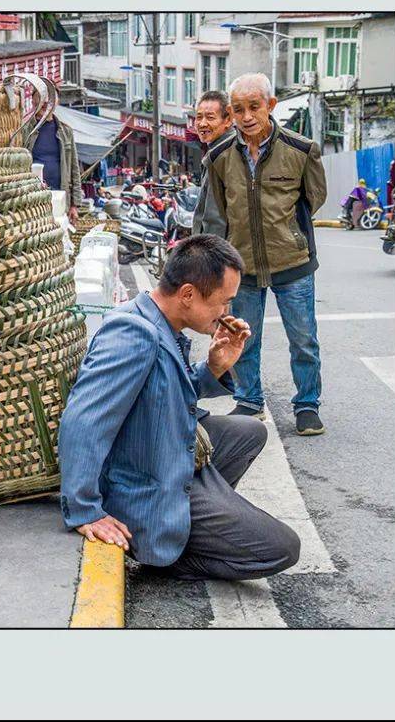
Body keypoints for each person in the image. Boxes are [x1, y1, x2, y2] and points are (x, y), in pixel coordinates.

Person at [58, 235, 300, 581]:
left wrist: (215, 367)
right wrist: (84, 510)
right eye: (222, 302)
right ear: (187, 294)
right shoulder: (133, 333)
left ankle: (193, 512)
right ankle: (166, 552)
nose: (225, 314)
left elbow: (166, 393)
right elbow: (83, 422)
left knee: (250, 431)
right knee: (282, 547)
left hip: (163, 450)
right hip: (143, 477)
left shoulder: (160, 320)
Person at [205, 73, 328, 435]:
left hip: (292, 262)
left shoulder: (301, 150)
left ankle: (307, 404)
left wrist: (287, 229)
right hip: (242, 266)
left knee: (303, 338)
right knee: (244, 336)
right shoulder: (219, 156)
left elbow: (313, 197)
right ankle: (249, 399)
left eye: (254, 107)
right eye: (238, 109)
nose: (246, 116)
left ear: (271, 106)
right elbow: (218, 214)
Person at [21, 111, 84, 224]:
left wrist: (75, 205)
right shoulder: (25, 130)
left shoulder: (65, 131)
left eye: (51, 97)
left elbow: (74, 169)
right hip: (33, 199)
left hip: (60, 197)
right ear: (34, 98)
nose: (46, 102)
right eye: (42, 96)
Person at [191, 90, 235, 237]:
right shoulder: (217, 149)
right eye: (198, 117)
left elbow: (214, 218)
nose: (202, 124)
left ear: (227, 120)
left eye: (210, 117)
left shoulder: (223, 154)